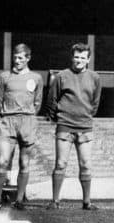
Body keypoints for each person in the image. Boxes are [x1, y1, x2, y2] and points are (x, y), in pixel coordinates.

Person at [46, 43, 102, 210]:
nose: (79, 60)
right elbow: (52, 100)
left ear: (88, 59)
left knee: (85, 164)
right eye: (76, 57)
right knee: (60, 163)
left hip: (85, 127)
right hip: (64, 126)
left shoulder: (95, 77)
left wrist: (85, 115)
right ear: (72, 57)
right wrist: (60, 117)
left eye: (83, 58)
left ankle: (86, 202)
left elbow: (95, 102)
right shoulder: (61, 76)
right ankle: (55, 201)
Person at [0, 43, 43, 210]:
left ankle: (20, 200)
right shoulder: (4, 77)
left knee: (24, 162)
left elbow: (37, 102)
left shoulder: (36, 78)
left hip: (27, 122)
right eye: (15, 57)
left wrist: (27, 115)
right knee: (2, 160)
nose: (17, 61)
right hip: (8, 121)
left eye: (21, 58)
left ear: (28, 58)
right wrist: (7, 115)